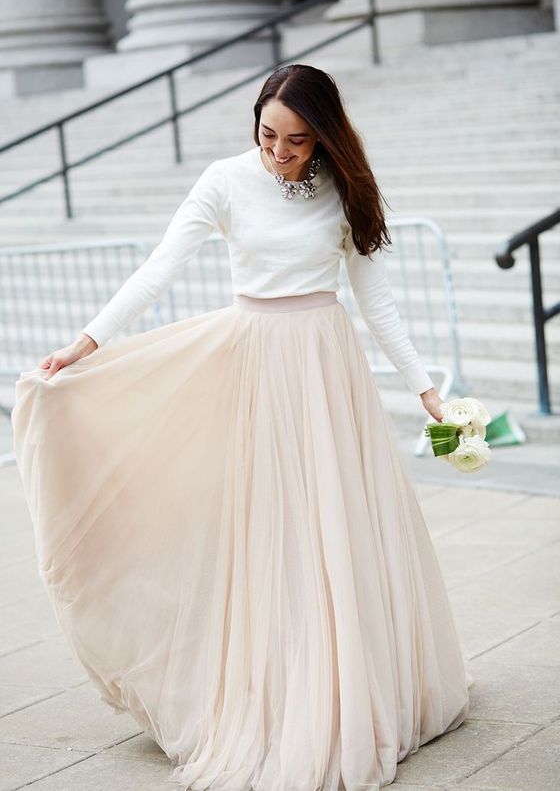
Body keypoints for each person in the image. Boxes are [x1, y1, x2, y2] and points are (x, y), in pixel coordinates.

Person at [11, 63, 473, 791]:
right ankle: (281, 687)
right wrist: (83, 344)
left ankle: (355, 685)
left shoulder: (343, 187)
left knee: (339, 527)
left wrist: (425, 386)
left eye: (297, 140)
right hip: (257, 364)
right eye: (268, 134)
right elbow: (158, 269)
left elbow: (374, 299)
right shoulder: (225, 180)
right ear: (253, 122)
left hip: (328, 369)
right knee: (273, 535)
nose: (279, 152)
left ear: (323, 138)